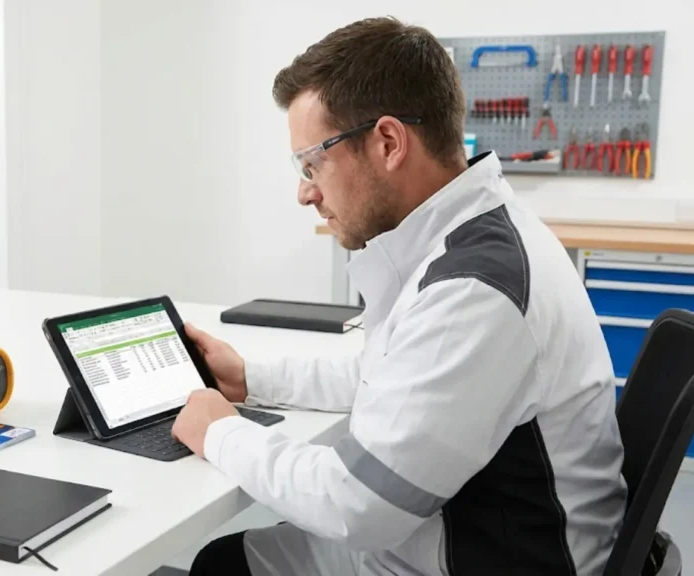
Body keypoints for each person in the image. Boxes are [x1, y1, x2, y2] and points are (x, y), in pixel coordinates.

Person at [170, 16, 628, 576]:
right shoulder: (472, 236)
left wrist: (219, 430)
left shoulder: (475, 289)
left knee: (225, 566)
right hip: (478, 532)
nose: (304, 192)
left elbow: (356, 506)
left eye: (312, 162)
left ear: (388, 142)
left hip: (490, 559)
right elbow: (391, 374)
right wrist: (251, 378)